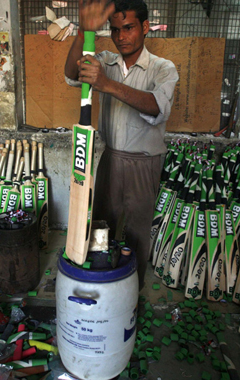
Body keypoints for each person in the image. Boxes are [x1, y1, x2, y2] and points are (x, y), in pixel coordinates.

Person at [64, 0, 179, 289]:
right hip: (111, 159)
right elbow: (71, 74)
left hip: (145, 161)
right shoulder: (106, 60)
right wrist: (82, 33)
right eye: (115, 30)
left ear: (144, 27)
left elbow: (156, 106)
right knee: (101, 225)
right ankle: (103, 284)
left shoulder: (163, 68)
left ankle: (131, 291)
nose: (121, 36)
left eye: (128, 28)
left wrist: (106, 84)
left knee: (138, 232)